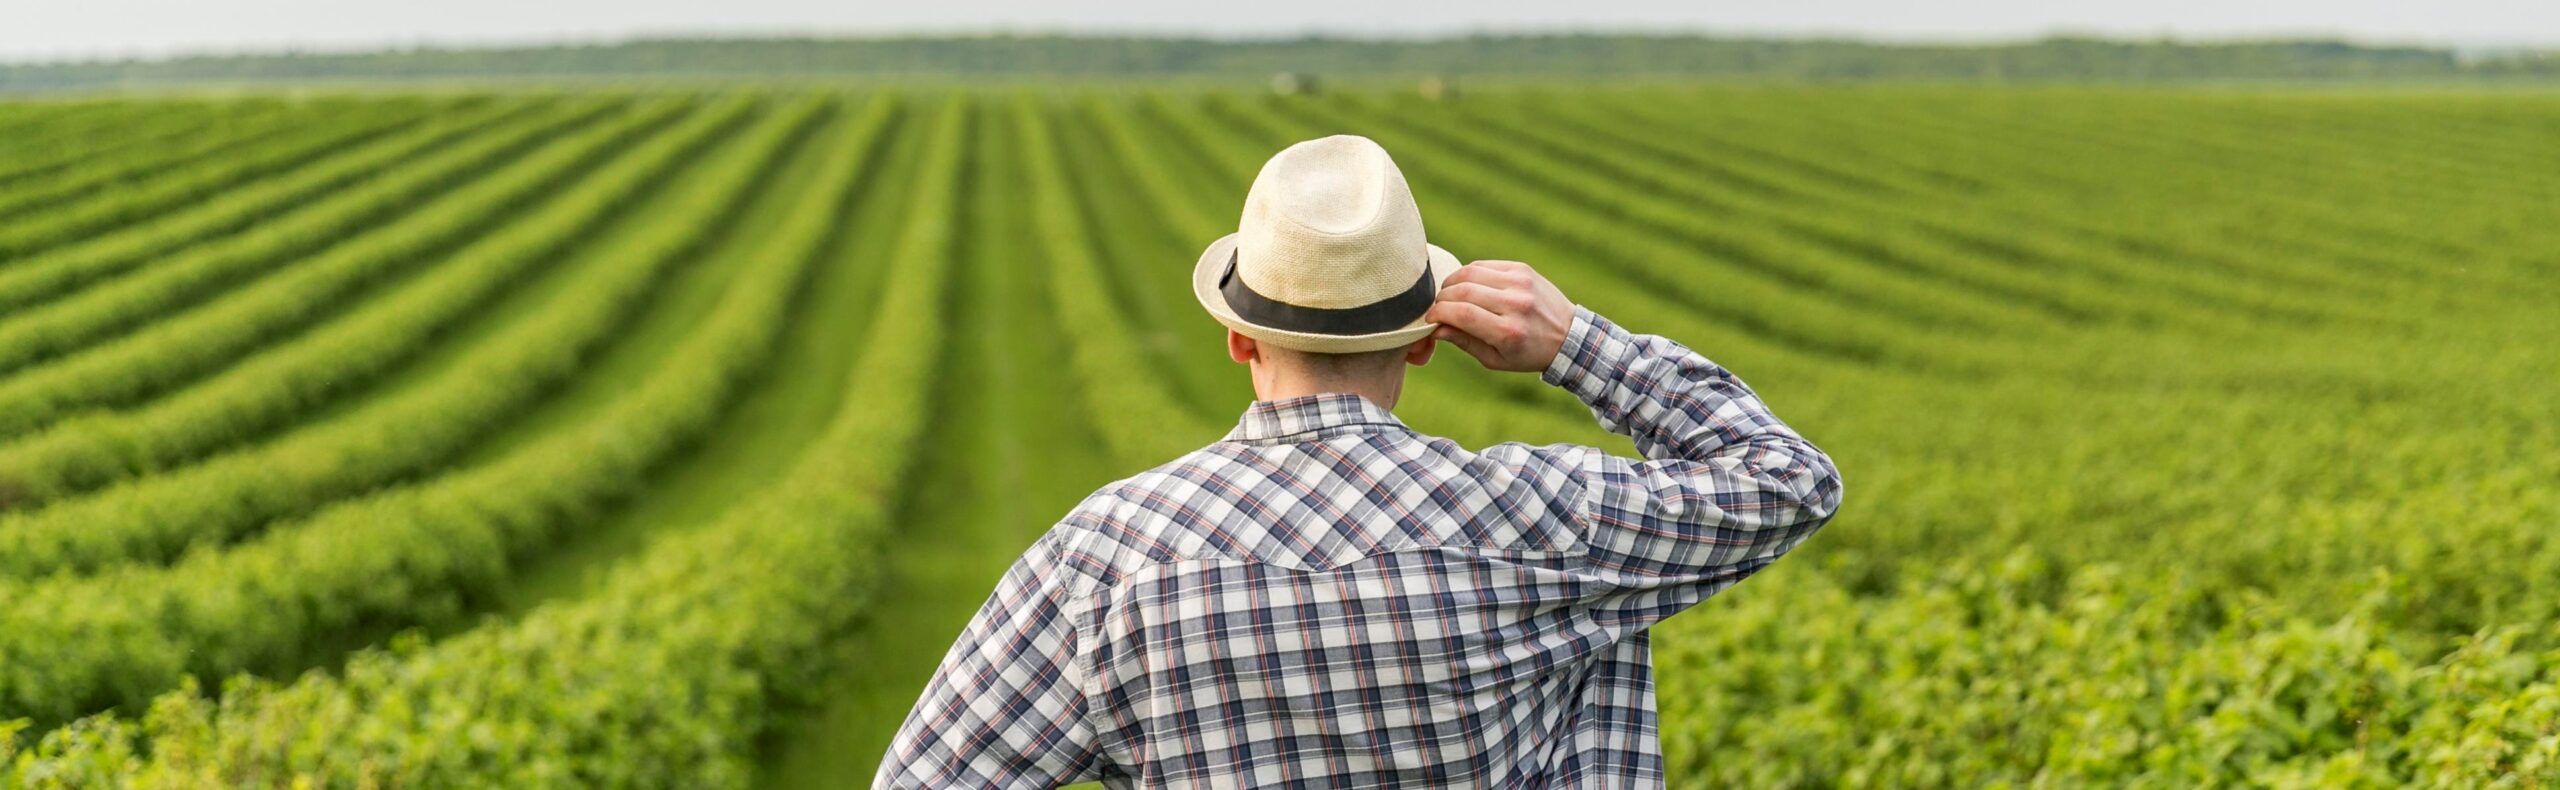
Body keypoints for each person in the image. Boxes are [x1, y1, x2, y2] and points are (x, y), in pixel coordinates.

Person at [877, 134, 1843, 788]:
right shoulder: (1540, 519)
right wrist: (1575, 343)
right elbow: (1788, 477)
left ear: (1239, 339)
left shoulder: (1106, 559)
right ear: (1427, 339)